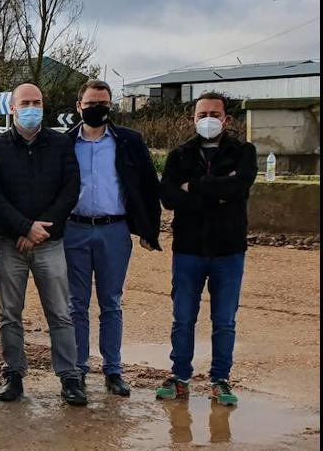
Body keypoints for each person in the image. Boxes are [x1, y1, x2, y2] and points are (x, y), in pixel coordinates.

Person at [0, 83, 86, 406]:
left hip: (50, 241)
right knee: (9, 314)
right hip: (9, 243)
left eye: (37, 102)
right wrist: (24, 227)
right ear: (12, 108)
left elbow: (71, 189)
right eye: (25, 102)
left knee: (60, 312)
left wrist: (42, 227)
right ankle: (13, 374)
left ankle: (70, 377)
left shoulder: (60, 143)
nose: (32, 107)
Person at [156, 92, 256, 407]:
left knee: (224, 319)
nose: (208, 119)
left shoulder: (243, 152)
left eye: (215, 113)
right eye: (202, 114)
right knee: (183, 317)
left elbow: (239, 188)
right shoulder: (179, 155)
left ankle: (220, 379)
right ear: (193, 119)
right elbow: (169, 198)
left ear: (226, 118)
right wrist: (218, 190)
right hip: (188, 250)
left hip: (228, 251)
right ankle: (179, 376)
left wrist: (195, 186)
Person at [64, 80, 162, 398]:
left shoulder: (129, 141)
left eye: (103, 103)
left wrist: (149, 230)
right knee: (76, 305)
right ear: (79, 107)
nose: (97, 109)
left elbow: (148, 185)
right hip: (74, 230)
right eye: (91, 104)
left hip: (114, 231)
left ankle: (113, 370)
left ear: (110, 106)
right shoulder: (64, 144)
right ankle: (77, 372)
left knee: (111, 303)